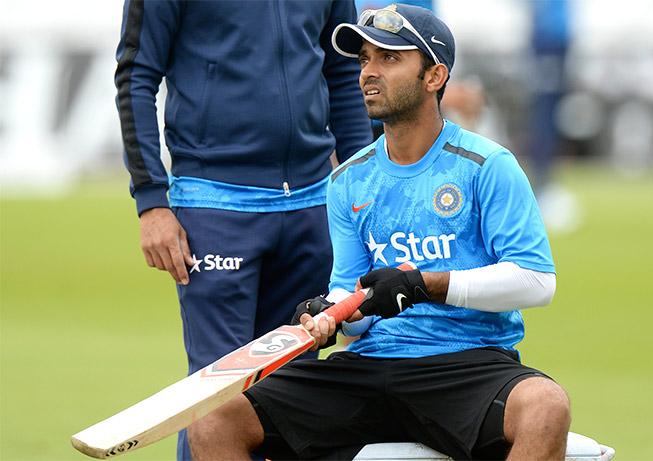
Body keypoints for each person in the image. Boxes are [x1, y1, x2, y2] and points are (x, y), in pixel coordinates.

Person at [185, 4, 571, 460]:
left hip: (466, 363)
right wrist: (332, 312)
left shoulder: (488, 165)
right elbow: (354, 296)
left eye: (389, 59)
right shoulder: (348, 179)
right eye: (365, 59)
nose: (369, 72)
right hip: (368, 366)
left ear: (434, 76)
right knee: (213, 420)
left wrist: (426, 286)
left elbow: (536, 281)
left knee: (546, 406)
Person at [114, 1, 372, 459]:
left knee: (291, 393)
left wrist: (367, 186)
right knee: (217, 396)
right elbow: (136, 75)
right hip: (215, 205)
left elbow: (343, 71)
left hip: (313, 202)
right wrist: (151, 200)